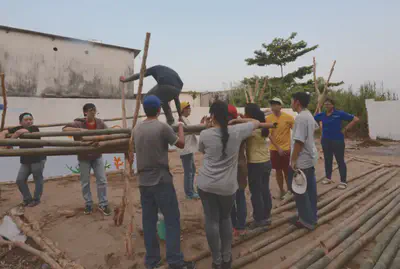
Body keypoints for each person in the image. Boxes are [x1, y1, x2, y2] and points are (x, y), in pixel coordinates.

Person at [133, 95, 195, 269]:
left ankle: (152, 261)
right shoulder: (162, 127)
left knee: (149, 221)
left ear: (145, 110)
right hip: (161, 180)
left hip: (143, 182)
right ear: (159, 110)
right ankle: (175, 261)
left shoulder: (136, 129)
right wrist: (181, 127)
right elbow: (181, 144)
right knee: (171, 220)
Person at [62, 103, 111, 216]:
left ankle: (103, 203)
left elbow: (109, 133)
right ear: (85, 112)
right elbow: (64, 129)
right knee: (85, 182)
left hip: (97, 156)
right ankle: (88, 203)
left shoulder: (100, 123)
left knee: (102, 180)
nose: (93, 112)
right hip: (83, 157)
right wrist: (80, 131)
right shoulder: (78, 123)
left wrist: (100, 139)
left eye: (94, 109)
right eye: (90, 110)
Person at [233, 103, 276, 230]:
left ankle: (259, 219)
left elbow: (249, 124)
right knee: (264, 189)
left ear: (249, 115)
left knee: (256, 192)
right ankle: (266, 215)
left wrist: (237, 119)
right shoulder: (264, 126)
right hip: (266, 161)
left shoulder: (251, 129)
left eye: (246, 113)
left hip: (255, 163)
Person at [0, 113, 46, 207]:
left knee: (37, 178)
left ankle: (36, 199)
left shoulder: (34, 128)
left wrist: (7, 145)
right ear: (20, 122)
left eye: (30, 119)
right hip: (26, 158)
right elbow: (4, 132)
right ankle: (27, 199)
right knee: (20, 180)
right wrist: (2, 141)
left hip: (38, 157)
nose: (29, 121)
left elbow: (19, 132)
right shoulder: (18, 128)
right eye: (26, 120)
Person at [288, 92, 319, 230]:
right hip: (310, 158)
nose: (291, 104)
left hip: (302, 160)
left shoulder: (300, 118)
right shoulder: (309, 115)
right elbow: (316, 129)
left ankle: (306, 220)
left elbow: (299, 141)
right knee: (311, 190)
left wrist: (293, 160)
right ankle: (311, 216)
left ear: (297, 102)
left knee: (300, 191)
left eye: (292, 101)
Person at [314, 97, 359, 189]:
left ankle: (343, 181)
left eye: (328, 104)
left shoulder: (339, 114)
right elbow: (311, 119)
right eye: (325, 104)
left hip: (337, 140)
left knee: (340, 160)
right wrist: (317, 108)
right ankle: (328, 178)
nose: (327, 106)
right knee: (327, 159)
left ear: (333, 105)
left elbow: (355, 119)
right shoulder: (322, 115)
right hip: (325, 140)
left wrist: (345, 129)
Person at [266, 97, 295, 200]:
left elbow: (296, 131)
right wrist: (278, 147)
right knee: (278, 171)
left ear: (280, 106)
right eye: (272, 104)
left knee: (287, 171)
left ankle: (290, 191)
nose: (273, 106)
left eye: (276, 104)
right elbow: (269, 134)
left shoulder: (288, 117)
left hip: (286, 149)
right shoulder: (268, 119)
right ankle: (281, 191)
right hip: (274, 149)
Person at [227, 104, 248, 237]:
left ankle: (234, 225)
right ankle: (240, 226)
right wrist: (241, 119)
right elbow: (254, 123)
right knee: (240, 197)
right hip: (240, 166)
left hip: (229, 168)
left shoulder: (220, 130)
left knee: (231, 199)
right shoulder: (242, 129)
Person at [178, 101, 199, 199]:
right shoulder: (181, 120)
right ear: (183, 110)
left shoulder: (185, 119)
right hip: (185, 150)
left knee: (192, 170)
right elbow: (191, 130)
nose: (189, 109)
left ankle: (191, 190)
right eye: (187, 107)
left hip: (188, 149)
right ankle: (189, 193)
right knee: (189, 171)